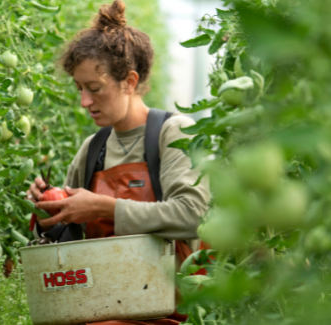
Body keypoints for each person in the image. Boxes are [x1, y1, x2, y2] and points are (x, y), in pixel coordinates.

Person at [25, 1, 211, 324]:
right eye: (80, 89)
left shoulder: (173, 133)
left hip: (170, 312)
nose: (84, 101)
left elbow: (193, 215)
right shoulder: (93, 149)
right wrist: (48, 210)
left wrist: (104, 208)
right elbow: (68, 241)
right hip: (105, 307)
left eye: (94, 89)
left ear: (129, 81)